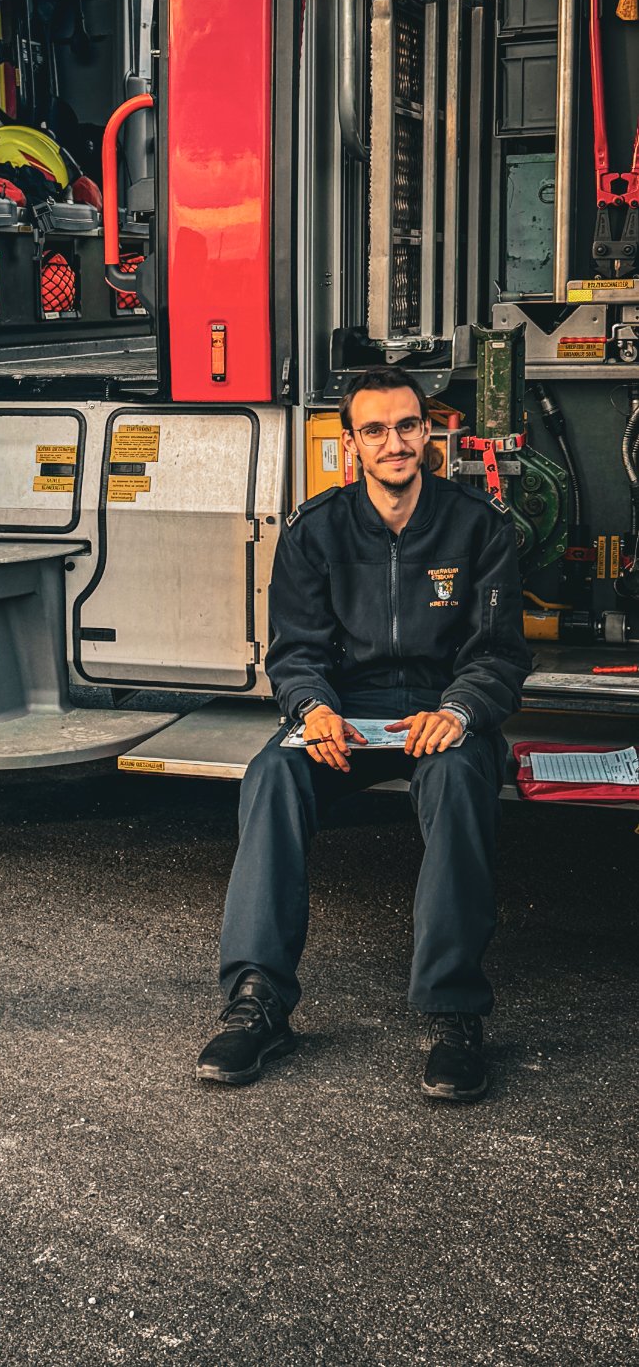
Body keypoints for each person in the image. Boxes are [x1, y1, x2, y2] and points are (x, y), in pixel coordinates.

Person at [197, 366, 531, 1102]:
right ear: (350, 444)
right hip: (345, 711)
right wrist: (312, 709)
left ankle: (454, 1015)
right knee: (272, 774)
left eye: (407, 425)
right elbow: (296, 652)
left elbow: (499, 653)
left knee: (458, 778)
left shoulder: (480, 526)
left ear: (428, 432)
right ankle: (258, 1001)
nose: (394, 443)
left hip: (442, 707)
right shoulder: (315, 530)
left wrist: (460, 711)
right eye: (374, 430)